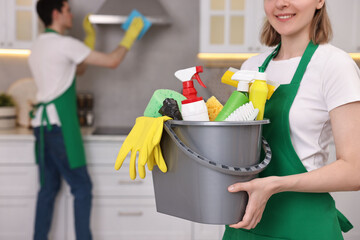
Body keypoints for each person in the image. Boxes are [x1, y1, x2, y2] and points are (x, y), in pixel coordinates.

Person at [223, 0, 360, 239]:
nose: (281, 3)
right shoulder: (251, 67)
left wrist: (275, 184)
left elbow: (354, 171)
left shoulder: (334, 65)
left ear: (319, 1)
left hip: (304, 227)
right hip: (245, 225)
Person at [28, 0, 145, 239]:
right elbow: (113, 61)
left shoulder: (38, 45)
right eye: (67, 10)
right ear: (56, 13)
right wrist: (130, 36)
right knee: (82, 188)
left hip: (41, 127)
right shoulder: (64, 44)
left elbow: (76, 69)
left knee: (47, 190)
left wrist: (89, 42)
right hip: (60, 127)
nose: (71, 14)